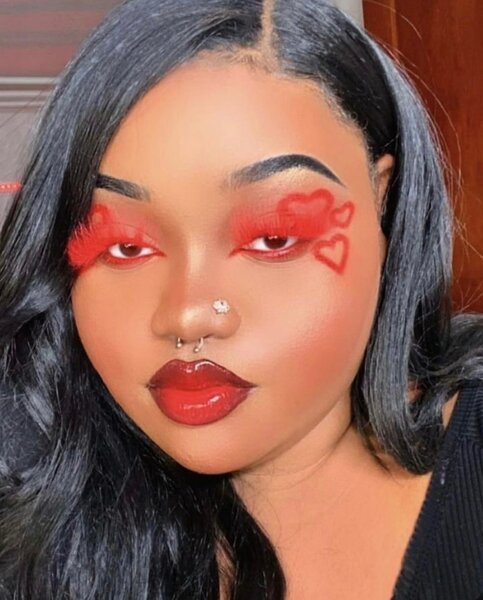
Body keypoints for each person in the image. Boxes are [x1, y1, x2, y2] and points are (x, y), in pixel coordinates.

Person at [0, 1, 482, 598]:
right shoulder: (33, 494)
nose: (187, 314)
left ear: (382, 198)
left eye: (273, 239)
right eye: (125, 247)